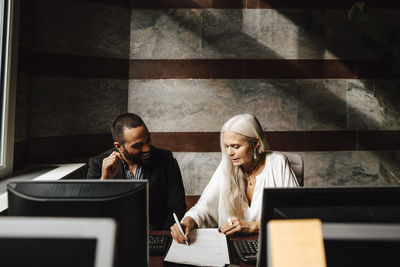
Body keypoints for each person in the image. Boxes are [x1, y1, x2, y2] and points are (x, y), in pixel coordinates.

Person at [171, 114, 299, 243]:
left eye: (236, 146)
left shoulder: (278, 163)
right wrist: (188, 222)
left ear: (256, 143)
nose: (230, 153)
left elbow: (296, 218)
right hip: (232, 246)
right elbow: (204, 207)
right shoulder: (226, 165)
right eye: (226, 146)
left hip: (273, 245)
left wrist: (252, 227)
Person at [87, 112, 186, 230]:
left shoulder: (165, 159)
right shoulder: (98, 164)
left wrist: (163, 236)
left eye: (148, 139)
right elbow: (92, 214)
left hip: (158, 234)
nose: (147, 148)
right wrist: (105, 182)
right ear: (119, 146)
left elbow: (177, 207)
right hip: (117, 237)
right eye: (137, 145)